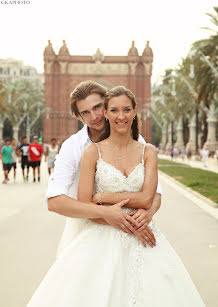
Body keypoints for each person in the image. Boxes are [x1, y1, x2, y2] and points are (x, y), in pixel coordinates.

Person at [27, 86, 204, 306]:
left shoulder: (140, 144)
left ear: (107, 105)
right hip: (90, 229)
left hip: (140, 232)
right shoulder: (74, 147)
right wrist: (107, 213)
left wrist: (141, 216)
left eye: (98, 107)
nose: (95, 116)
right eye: (86, 112)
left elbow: (154, 194)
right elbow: (54, 201)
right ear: (78, 116)